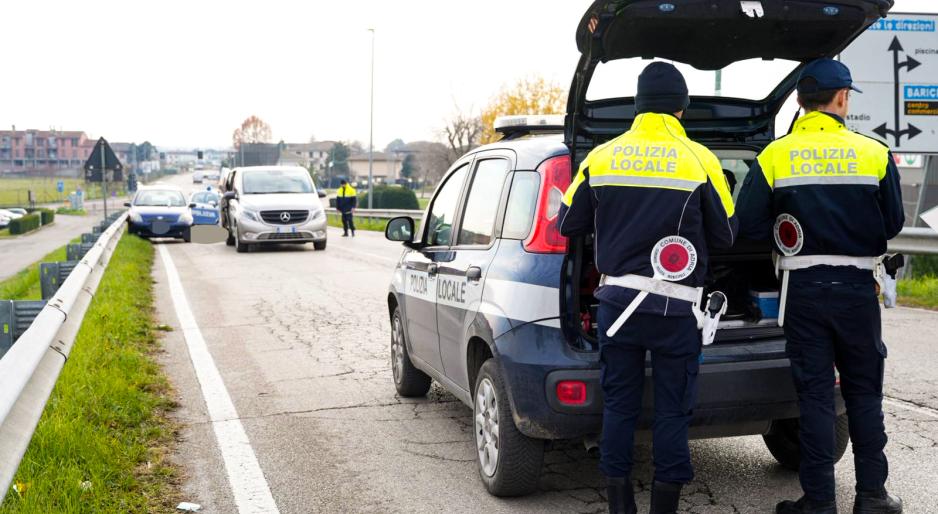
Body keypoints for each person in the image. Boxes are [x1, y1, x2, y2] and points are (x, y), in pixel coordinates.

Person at [559, 62, 737, 514]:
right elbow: (725, 236)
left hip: (616, 308)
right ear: (681, 108)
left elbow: (568, 223)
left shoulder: (601, 157)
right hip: (676, 313)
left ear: (637, 106)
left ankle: (621, 506)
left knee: (619, 407)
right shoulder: (700, 159)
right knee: (673, 411)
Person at [735, 58, 905, 514]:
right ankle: (872, 496)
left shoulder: (776, 155)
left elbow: (748, 224)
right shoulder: (874, 152)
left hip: (804, 289)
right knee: (864, 394)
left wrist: (786, 233)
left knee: (814, 397)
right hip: (857, 289)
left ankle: (819, 501)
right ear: (843, 98)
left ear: (799, 100)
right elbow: (893, 222)